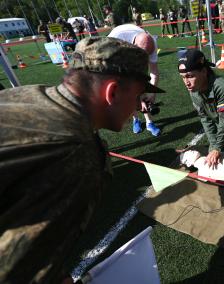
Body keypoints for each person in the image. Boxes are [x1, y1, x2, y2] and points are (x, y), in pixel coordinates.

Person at [0, 37, 165, 284]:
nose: (140, 107)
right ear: (113, 92)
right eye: (139, 96)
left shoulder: (27, 94)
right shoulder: (78, 151)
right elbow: (14, 270)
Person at [108, 24, 162, 136]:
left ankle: (149, 122)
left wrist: (152, 94)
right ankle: (135, 119)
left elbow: (154, 72)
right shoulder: (115, 41)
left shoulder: (151, 42)